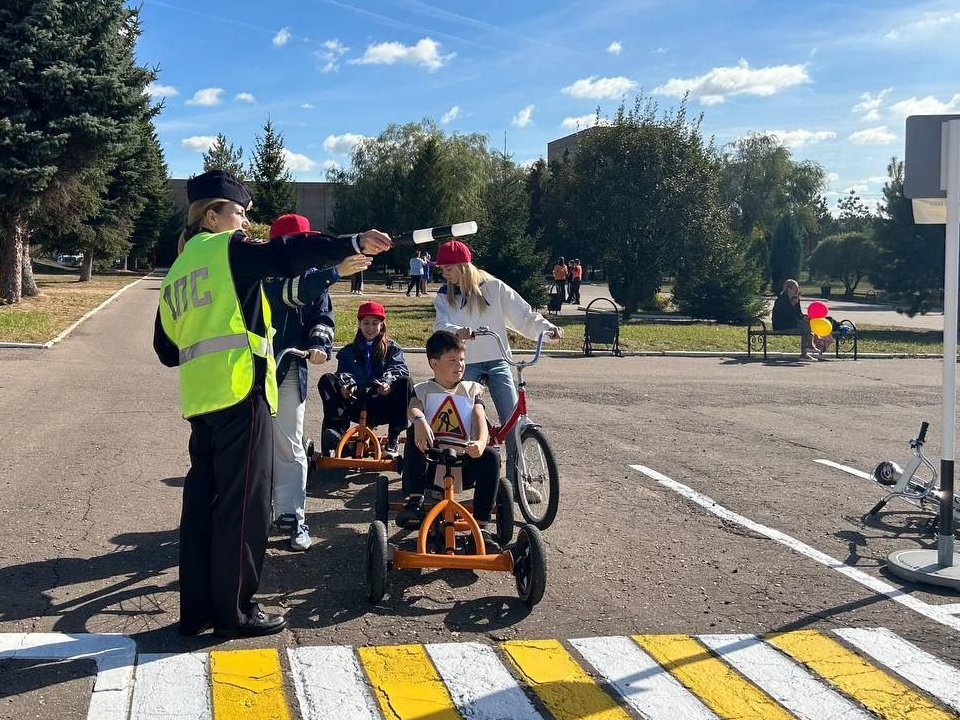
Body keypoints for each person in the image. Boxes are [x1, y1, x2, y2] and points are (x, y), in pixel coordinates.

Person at [153, 170, 391, 637]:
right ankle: (235, 613)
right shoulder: (225, 249)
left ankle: (197, 611)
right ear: (213, 214)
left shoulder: (178, 270)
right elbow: (286, 254)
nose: (245, 222)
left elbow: (165, 350)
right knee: (244, 506)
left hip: (201, 401)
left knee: (202, 503)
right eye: (239, 212)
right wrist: (350, 241)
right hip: (242, 393)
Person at [264, 214, 370, 552]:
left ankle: (293, 514)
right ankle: (255, 511)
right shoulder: (262, 276)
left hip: (290, 366)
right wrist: (335, 270)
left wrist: (319, 346)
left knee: (290, 444)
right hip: (253, 369)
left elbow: (322, 317)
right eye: (300, 244)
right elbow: (283, 297)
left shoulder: (314, 281)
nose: (306, 251)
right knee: (253, 446)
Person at [433, 240, 561, 499]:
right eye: (443, 270)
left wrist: (547, 330)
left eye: (449, 269)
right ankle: (445, 480)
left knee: (513, 421)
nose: (445, 275)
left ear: (463, 266)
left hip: (497, 359)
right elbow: (440, 324)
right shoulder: (444, 294)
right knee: (456, 421)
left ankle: (517, 484)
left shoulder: (493, 287)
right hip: (465, 363)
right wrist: (456, 331)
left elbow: (523, 314)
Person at [397, 331, 501, 549]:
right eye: (452, 360)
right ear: (434, 364)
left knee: (491, 455)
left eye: (462, 360)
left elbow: (479, 417)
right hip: (431, 462)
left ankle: (480, 527)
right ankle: (415, 500)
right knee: (412, 435)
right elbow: (413, 407)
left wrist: (481, 442)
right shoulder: (424, 389)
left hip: (463, 460)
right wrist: (420, 421)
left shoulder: (471, 389)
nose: (460, 365)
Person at [318, 301, 411, 456]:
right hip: (355, 400)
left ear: (382, 325)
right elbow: (343, 371)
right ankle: (336, 429)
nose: (370, 328)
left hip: (382, 402)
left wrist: (386, 383)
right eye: (365, 323)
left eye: (375, 323)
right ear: (359, 324)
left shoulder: (392, 348)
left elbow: (398, 368)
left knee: (404, 382)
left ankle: (393, 438)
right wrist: (347, 385)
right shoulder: (349, 350)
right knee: (327, 379)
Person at [771, 279, 832, 359]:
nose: (797, 290)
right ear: (789, 288)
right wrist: (792, 305)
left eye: (797, 288)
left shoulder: (796, 298)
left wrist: (804, 317)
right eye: (795, 288)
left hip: (792, 324)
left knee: (807, 323)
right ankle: (807, 349)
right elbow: (784, 316)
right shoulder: (781, 299)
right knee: (804, 328)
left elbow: (798, 313)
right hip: (781, 325)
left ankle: (806, 350)